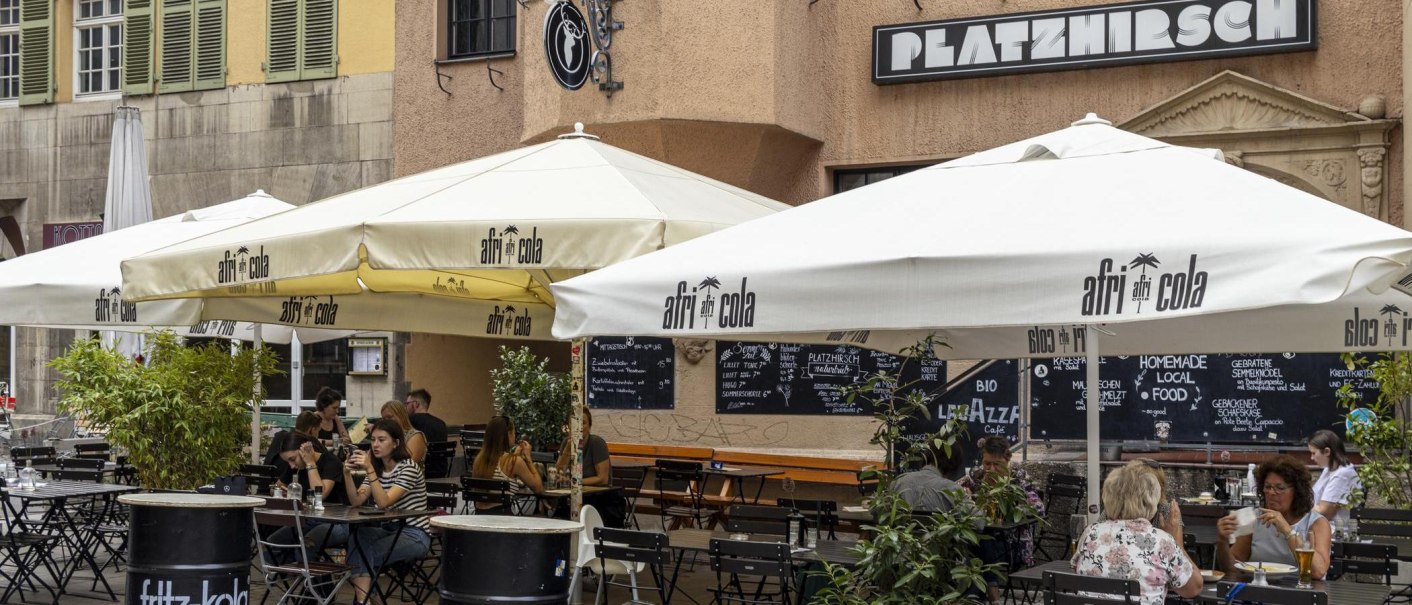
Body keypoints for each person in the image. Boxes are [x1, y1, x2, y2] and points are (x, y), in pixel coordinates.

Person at [1072, 463, 1203, 605]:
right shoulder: (1162, 540)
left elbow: (1077, 570)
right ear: (1151, 501)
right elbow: (1193, 589)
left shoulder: (1090, 533)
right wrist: (1175, 542)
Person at [341, 419, 431, 605]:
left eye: (381, 440)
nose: (375, 445)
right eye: (373, 440)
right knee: (359, 538)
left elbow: (383, 502)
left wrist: (369, 470)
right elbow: (356, 500)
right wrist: (347, 475)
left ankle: (362, 601)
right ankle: (364, 601)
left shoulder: (409, 468)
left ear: (396, 443)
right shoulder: (378, 470)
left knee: (360, 555)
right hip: (390, 530)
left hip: (415, 534)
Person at [1216, 455, 1332, 581]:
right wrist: (1223, 542)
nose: (1271, 493)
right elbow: (1232, 569)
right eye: (1267, 487)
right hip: (1259, 591)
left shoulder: (1316, 523)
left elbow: (1318, 572)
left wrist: (1287, 531)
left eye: (1280, 488)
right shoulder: (1256, 519)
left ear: (1297, 492)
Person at [960, 437, 1045, 603]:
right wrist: (966, 497)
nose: (990, 469)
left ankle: (986, 594)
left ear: (1007, 460)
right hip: (981, 542)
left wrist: (1012, 509)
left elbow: (1039, 508)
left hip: (1012, 543)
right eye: (987, 464)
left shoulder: (1018, 478)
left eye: (996, 464)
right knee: (974, 538)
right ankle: (983, 594)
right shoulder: (977, 476)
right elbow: (957, 491)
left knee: (983, 539)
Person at [554, 407, 627, 526]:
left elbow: (603, 479)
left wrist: (574, 482)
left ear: (589, 425)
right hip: (574, 495)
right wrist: (568, 448)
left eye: (583, 423)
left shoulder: (597, 443)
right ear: (569, 427)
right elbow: (558, 472)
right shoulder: (566, 443)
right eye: (575, 423)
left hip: (598, 497)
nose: (580, 427)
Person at [470, 415, 543, 514]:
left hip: (479, 517)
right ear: (508, 434)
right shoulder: (513, 461)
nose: (514, 436)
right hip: (503, 518)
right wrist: (528, 458)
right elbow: (538, 488)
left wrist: (514, 455)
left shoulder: (479, 460)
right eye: (514, 433)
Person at [890, 440, 967, 513]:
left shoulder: (897, 482)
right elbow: (978, 522)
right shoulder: (953, 490)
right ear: (953, 465)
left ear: (925, 456)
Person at [1308, 429, 1360, 525]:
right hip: (1317, 528)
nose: (1312, 458)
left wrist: (1298, 506)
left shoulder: (1342, 474)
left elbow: (1324, 513)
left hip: (1333, 533)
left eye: (1314, 453)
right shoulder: (1329, 469)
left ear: (1327, 451)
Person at [404, 389, 449, 477]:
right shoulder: (441, 423)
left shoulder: (409, 421)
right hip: (440, 471)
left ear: (415, 404)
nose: (406, 407)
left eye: (407, 404)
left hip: (420, 472)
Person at [380, 400, 427, 466]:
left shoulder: (415, 436)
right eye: (384, 419)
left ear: (401, 415)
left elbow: (408, 465)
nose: (386, 421)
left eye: (390, 417)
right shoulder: (388, 436)